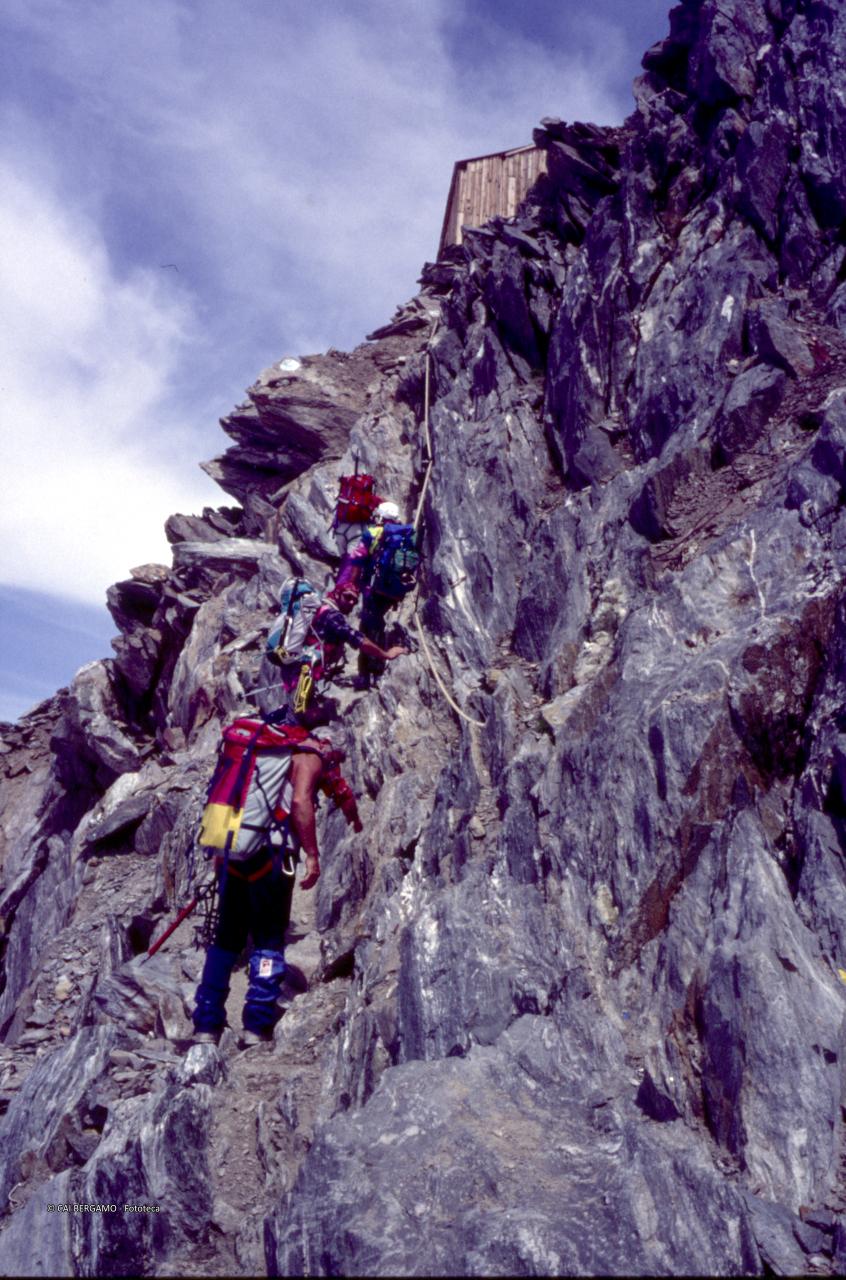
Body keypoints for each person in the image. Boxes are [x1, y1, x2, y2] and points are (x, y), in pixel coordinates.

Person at [192, 694, 349, 1047]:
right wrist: (312, 853)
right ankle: (257, 1022)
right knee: (267, 938)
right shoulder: (306, 753)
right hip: (273, 855)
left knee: (226, 937)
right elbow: (300, 803)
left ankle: (206, 1021)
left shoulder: (258, 746)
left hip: (233, 851)